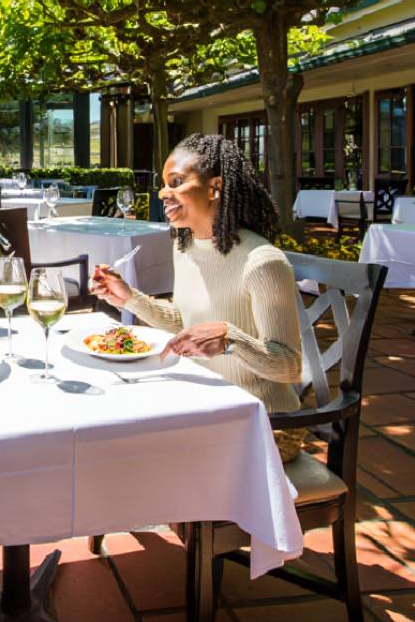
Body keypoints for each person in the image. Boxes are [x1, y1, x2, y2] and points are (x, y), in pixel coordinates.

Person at [91, 133, 307, 462]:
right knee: (108, 419)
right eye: (164, 184)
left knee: (132, 449)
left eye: (176, 182)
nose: (164, 192)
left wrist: (229, 338)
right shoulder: (186, 246)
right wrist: (128, 298)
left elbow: (289, 366)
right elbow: (185, 321)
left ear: (214, 188)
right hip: (204, 403)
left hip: (265, 424)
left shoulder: (263, 262)